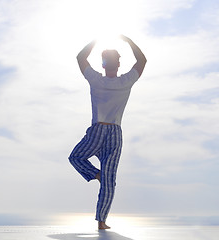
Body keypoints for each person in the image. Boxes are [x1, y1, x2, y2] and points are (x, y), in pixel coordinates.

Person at [68, 35, 147, 230]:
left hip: (97, 130)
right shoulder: (126, 81)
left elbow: (80, 58)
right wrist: (128, 42)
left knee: (76, 157)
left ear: (103, 65)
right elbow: (142, 60)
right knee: (109, 180)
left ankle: (97, 175)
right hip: (115, 133)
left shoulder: (95, 79)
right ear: (118, 65)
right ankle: (101, 222)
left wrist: (94, 40)